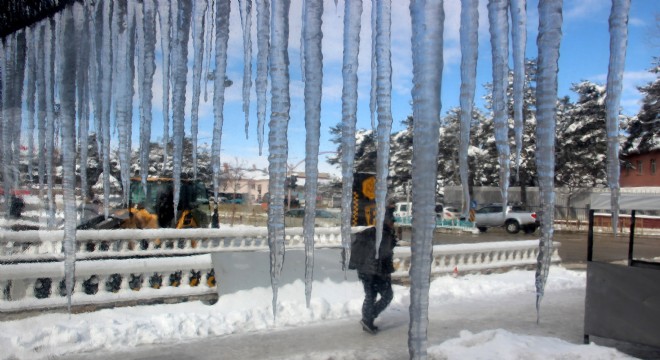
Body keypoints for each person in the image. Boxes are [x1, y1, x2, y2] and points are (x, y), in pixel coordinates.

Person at [348, 205, 398, 334]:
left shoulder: (373, 232)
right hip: (374, 271)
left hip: (367, 270)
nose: (394, 224)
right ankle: (368, 319)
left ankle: (367, 319)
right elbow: (383, 256)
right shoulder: (384, 235)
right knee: (385, 295)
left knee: (371, 295)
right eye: (392, 221)